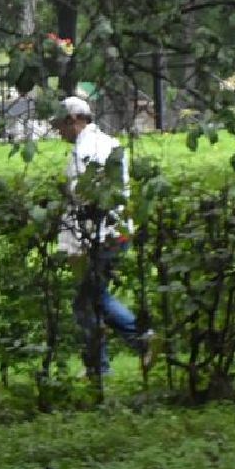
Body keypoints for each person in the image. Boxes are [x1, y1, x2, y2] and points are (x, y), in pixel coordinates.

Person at [52, 95, 152, 375]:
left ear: (74, 120)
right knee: (94, 298)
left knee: (89, 302)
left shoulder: (89, 150)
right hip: (112, 231)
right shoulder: (105, 142)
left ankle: (134, 345)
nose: (58, 131)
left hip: (103, 234)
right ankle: (105, 362)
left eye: (60, 124)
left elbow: (85, 195)